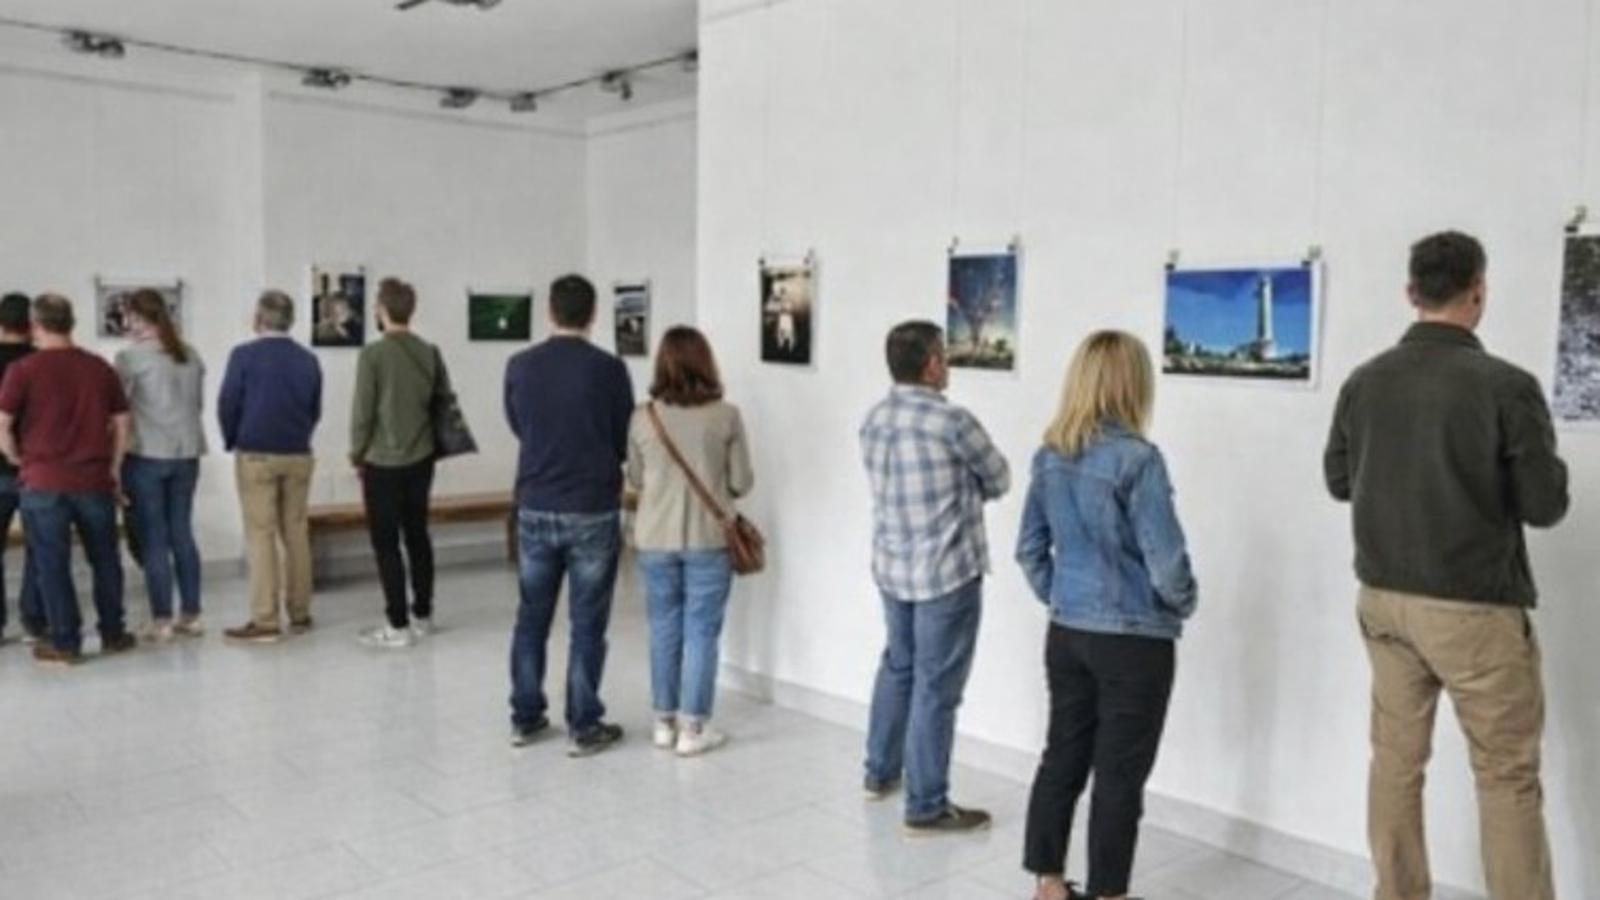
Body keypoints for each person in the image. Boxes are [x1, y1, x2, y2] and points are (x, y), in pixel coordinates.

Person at [1324, 231, 1568, 900]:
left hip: (1382, 602)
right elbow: (1545, 506)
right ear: (1479, 292)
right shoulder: (1507, 387)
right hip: (1474, 610)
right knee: (1506, 776)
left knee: (1396, 764)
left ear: (1411, 293)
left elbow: (1339, 481)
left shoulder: (1364, 381)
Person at [1015, 331, 1198, 900]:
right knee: (1120, 775)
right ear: (1132, 384)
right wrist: (1183, 602)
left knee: (1062, 757)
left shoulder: (1049, 456)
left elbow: (1029, 549)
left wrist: (1063, 598)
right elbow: (1166, 562)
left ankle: (1048, 884)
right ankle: (1109, 894)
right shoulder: (1139, 460)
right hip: (1133, 642)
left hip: (1067, 634)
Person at [859, 320, 1010, 835]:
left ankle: (879, 772)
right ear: (930, 366)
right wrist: (966, 489)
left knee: (898, 666)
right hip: (946, 573)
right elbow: (1000, 478)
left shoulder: (874, 419)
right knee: (936, 688)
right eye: (943, 355)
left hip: (892, 568)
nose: (948, 364)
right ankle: (925, 806)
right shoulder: (952, 422)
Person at [504, 274, 634, 757]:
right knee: (587, 623)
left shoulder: (520, 365)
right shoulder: (609, 369)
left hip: (536, 502)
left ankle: (526, 717)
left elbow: (518, 424)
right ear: (593, 314)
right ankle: (583, 723)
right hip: (592, 506)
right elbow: (623, 436)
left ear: (550, 311)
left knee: (531, 618)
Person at [625, 326, 754, 757]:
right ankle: (693, 728)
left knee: (663, 627)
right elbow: (742, 482)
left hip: (653, 538)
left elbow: (636, 478)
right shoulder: (726, 415)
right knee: (701, 631)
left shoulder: (643, 417)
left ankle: (663, 722)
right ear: (706, 363)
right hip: (708, 539)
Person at [0, 294, 134, 665]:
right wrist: (114, 467)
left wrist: (16, 457)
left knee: (52, 563)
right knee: (105, 561)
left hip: (42, 480)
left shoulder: (24, 370)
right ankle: (113, 633)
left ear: (36, 325)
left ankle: (65, 641)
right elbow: (123, 422)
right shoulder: (99, 368)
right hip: (93, 480)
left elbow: (3, 424)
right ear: (71, 322)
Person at [219, 291, 322, 643]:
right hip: (298, 452)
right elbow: (314, 408)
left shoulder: (243, 355)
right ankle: (300, 613)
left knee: (260, 534)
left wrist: (232, 438)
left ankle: (265, 619)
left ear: (259, 319)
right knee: (296, 530)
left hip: (256, 454)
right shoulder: (308, 359)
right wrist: (300, 435)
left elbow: (228, 402)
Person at [350, 277, 446, 649]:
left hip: (382, 462)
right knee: (418, 535)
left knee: (386, 542)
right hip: (422, 457)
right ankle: (423, 614)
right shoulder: (429, 352)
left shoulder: (373, 355)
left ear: (382, 310)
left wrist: (356, 452)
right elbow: (439, 404)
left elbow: (363, 412)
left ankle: (397, 624)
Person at [116, 290, 207, 641]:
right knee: (182, 532)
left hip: (147, 455)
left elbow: (118, 412)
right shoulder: (190, 354)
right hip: (187, 454)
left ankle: (162, 619)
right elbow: (197, 405)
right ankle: (192, 614)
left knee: (154, 538)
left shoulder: (130, 357)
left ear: (137, 317)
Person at [0, 292, 42, 643]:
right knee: (39, 547)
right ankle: (33, 621)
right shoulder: (41, 363)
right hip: (36, 466)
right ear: (31, 324)